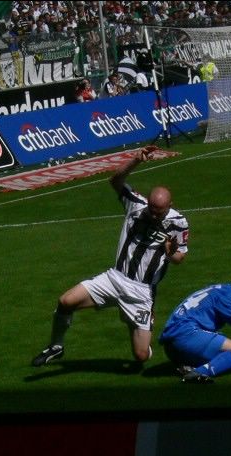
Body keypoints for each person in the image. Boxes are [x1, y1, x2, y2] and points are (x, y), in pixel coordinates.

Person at [32, 145, 189, 366]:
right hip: (115, 279)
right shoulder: (136, 206)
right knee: (66, 301)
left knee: (141, 356)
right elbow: (115, 181)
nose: (154, 215)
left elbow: (179, 259)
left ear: (170, 206)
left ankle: (137, 323)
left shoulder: (179, 223)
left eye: (159, 212)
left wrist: (171, 253)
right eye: (152, 209)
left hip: (142, 293)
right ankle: (56, 346)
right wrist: (136, 160)